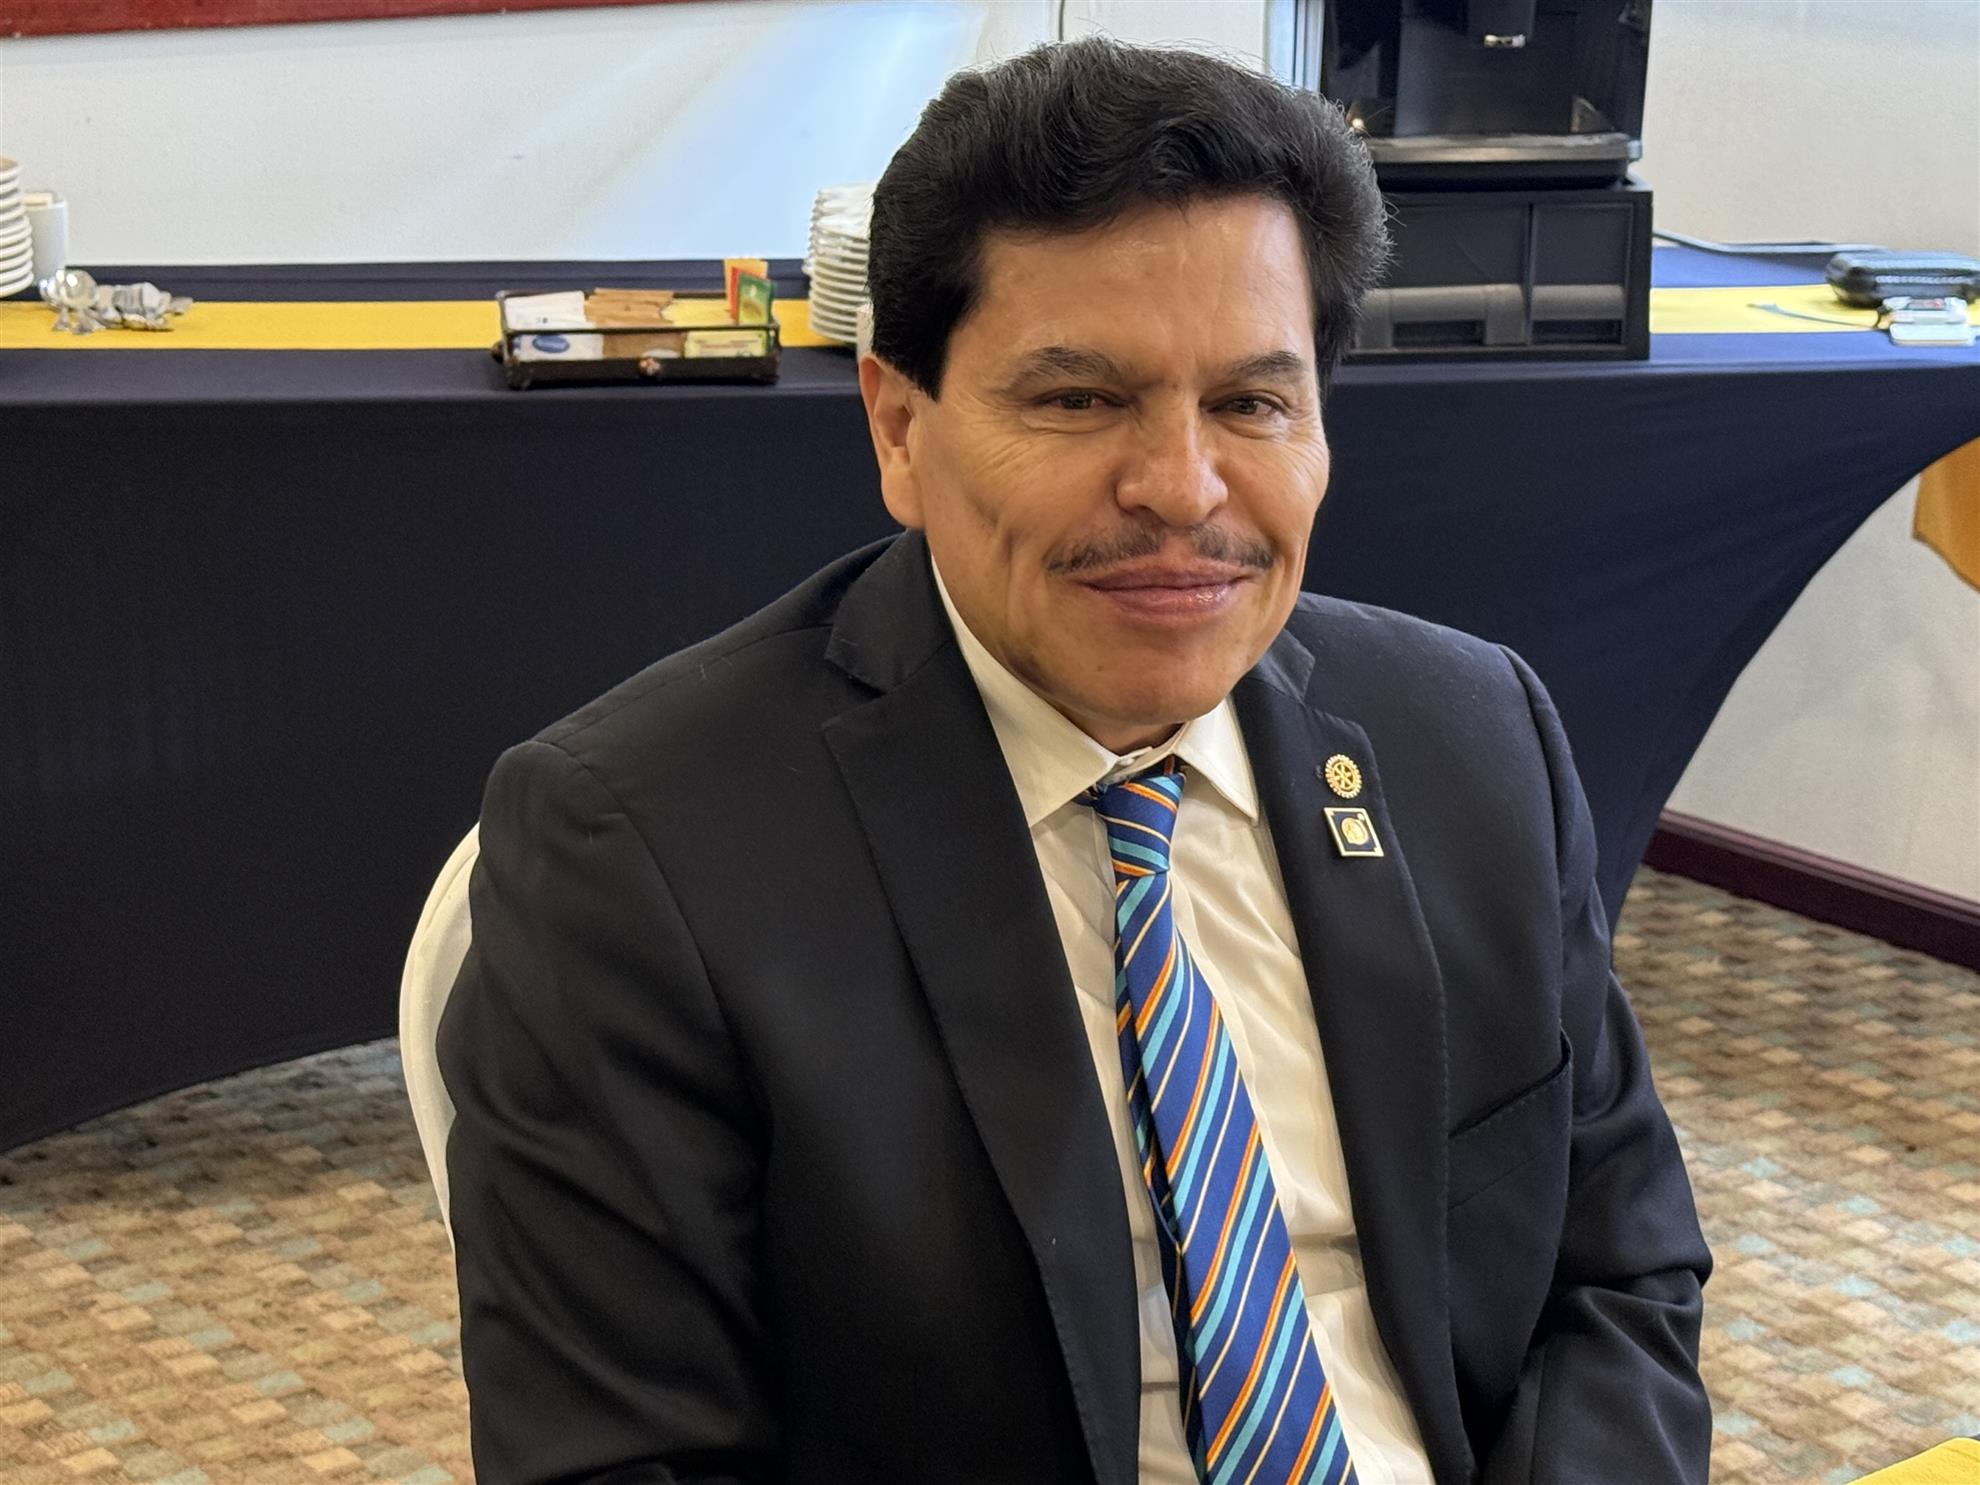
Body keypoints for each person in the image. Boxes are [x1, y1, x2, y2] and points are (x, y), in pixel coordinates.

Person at [438, 35, 1712, 1485]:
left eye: (1253, 403)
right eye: (1077, 400)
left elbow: (1620, 1272)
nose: (1182, 487)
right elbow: (618, 1458)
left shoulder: (1472, 737)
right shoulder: (642, 851)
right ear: (899, 428)